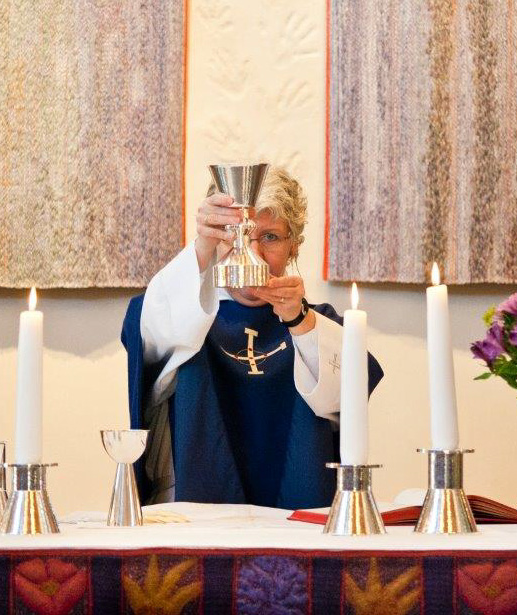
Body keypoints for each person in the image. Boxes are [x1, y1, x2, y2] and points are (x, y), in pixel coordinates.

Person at [122, 167, 383, 509]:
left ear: (294, 247)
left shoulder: (319, 325)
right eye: (237, 235)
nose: (254, 254)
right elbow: (150, 341)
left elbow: (342, 405)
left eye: (271, 237)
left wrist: (299, 321)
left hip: (295, 519)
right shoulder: (187, 316)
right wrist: (201, 247)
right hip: (201, 521)